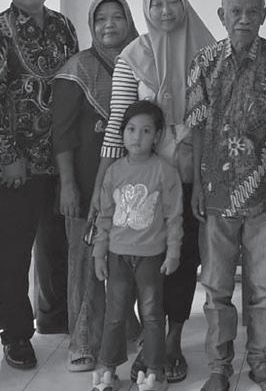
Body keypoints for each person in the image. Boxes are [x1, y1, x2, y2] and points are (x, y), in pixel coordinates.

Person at [188, 0, 266, 391]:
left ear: (264, 15)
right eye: (235, 11)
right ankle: (218, 369)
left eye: (252, 11)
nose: (243, 19)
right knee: (216, 287)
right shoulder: (204, 62)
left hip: (264, 194)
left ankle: (260, 365)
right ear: (222, 15)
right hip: (216, 195)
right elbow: (197, 127)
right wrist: (198, 183)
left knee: (265, 289)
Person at [97, 0, 214, 384]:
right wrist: (102, 183)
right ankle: (151, 342)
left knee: (184, 260)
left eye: (173, 1)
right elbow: (119, 123)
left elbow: (217, 115)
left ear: (185, 3)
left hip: (195, 175)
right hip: (144, 182)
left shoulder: (209, 51)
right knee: (147, 263)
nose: (166, 10)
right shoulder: (132, 56)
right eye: (157, 3)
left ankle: (173, 339)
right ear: (146, 9)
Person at [0, 0, 79, 369]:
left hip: (60, 159)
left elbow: (72, 84)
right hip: (14, 165)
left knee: (57, 243)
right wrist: (8, 154)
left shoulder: (63, 26)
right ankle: (16, 335)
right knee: (13, 254)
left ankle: (55, 315)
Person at [51, 0, 139, 372]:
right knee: (86, 262)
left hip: (134, 181)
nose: (109, 25)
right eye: (101, 18)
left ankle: (126, 326)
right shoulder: (76, 70)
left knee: (127, 259)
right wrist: (68, 185)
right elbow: (62, 134)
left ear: (129, 21)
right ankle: (83, 342)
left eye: (117, 17)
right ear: (91, 25)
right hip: (87, 184)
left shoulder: (142, 61)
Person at [90, 100, 184, 391]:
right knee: (114, 316)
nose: (137, 137)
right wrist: (99, 253)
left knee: (152, 315)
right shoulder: (114, 172)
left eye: (145, 130)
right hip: (117, 256)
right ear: (122, 133)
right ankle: (107, 368)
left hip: (151, 258)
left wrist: (173, 252)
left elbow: (173, 217)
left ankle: (156, 371)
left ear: (157, 136)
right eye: (131, 129)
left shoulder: (164, 172)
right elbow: (104, 217)